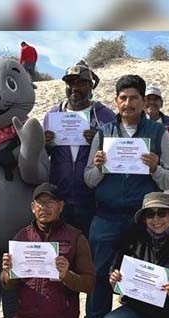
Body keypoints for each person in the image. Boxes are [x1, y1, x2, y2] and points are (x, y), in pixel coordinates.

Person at [83, 74, 169, 318]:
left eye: (134, 98)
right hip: (106, 216)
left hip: (143, 221)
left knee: (142, 274)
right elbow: (88, 179)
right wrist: (100, 167)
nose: (128, 103)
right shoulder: (104, 133)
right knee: (100, 273)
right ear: (116, 101)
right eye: (123, 98)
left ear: (143, 101)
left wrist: (155, 168)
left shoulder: (158, 132)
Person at [0, 183, 95, 318]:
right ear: (32, 207)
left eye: (50, 203)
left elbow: (89, 284)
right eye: (40, 203)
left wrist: (67, 275)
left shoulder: (76, 237)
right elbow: (8, 285)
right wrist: (7, 271)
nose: (44, 208)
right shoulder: (22, 237)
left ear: (61, 206)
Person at [43, 60, 115, 236]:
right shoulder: (52, 115)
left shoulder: (105, 116)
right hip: (60, 197)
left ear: (91, 86)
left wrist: (98, 140)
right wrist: (44, 145)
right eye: (70, 83)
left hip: (92, 199)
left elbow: (117, 156)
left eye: (81, 82)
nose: (75, 87)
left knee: (88, 252)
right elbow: (42, 158)